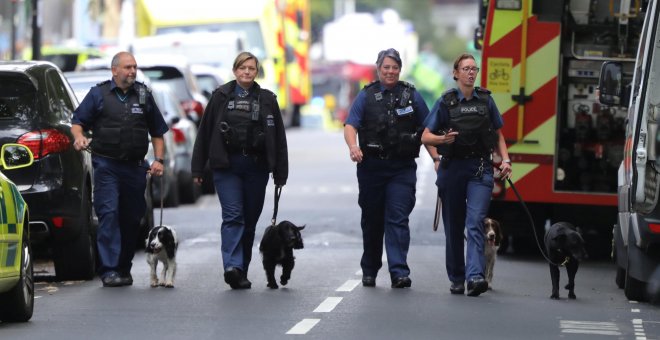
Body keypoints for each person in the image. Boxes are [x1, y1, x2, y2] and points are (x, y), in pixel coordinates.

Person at [191, 51, 288, 290]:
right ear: (235, 71)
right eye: (243, 68)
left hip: (256, 168)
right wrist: (197, 168)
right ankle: (231, 266)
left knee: (250, 220)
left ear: (256, 72)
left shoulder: (267, 99)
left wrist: (280, 172)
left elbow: (279, 139)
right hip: (227, 167)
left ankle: (241, 269)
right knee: (233, 215)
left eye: (251, 69)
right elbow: (204, 133)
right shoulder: (220, 96)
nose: (247, 72)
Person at [71, 51, 169, 287]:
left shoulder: (144, 95)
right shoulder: (98, 94)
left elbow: (157, 132)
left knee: (132, 218)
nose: (132, 71)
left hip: (135, 168)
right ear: (114, 70)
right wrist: (79, 138)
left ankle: (123, 267)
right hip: (107, 166)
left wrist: (158, 160)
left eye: (134, 67)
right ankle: (109, 270)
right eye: (127, 67)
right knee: (109, 214)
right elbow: (78, 123)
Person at [344, 48, 439, 289]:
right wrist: (353, 147)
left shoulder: (411, 95)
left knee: (398, 219)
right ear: (378, 68)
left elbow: (427, 131)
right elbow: (350, 125)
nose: (390, 71)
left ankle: (399, 272)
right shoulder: (366, 96)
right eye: (386, 67)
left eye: (394, 67)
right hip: (372, 169)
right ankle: (370, 269)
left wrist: (437, 159)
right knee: (372, 220)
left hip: (401, 169)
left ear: (400, 69)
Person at [421, 53, 512, 297]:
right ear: (456, 73)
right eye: (466, 68)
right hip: (453, 170)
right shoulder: (446, 101)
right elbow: (425, 136)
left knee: (476, 222)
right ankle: (457, 278)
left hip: (480, 169)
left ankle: (475, 277)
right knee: (454, 227)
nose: (471, 72)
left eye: (474, 68)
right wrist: (443, 141)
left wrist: (505, 160)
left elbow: (499, 135)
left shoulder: (486, 100)